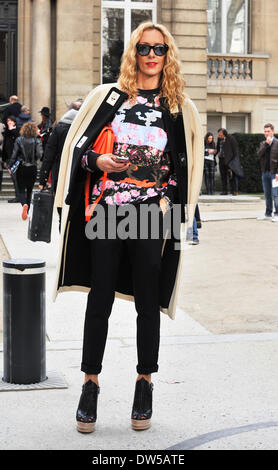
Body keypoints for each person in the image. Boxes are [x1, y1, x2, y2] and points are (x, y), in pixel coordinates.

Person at [53, 22, 204, 434]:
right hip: (109, 209)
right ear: (133, 52)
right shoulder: (109, 97)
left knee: (147, 301)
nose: (151, 55)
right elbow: (78, 150)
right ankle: (90, 384)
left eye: (159, 48)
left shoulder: (179, 107)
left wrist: (174, 211)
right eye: (144, 47)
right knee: (99, 297)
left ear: (168, 55)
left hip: (154, 214)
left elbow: (185, 168)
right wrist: (97, 163)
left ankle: (145, 383)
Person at [39, 100, 82, 230]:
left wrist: (43, 179)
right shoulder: (84, 127)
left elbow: (49, 156)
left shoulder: (59, 128)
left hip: (61, 175)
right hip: (80, 174)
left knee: (62, 213)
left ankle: (63, 237)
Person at [7, 121, 42, 220]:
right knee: (30, 190)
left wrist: (10, 166)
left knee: (21, 189)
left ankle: (24, 206)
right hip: (32, 167)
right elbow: (39, 154)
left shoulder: (19, 140)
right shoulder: (37, 140)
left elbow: (14, 155)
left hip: (22, 167)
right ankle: (27, 210)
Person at [257, 123, 278, 221]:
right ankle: (268, 213)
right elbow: (259, 154)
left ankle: (277, 214)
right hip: (265, 173)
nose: (266, 133)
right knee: (267, 194)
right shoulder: (262, 143)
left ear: (273, 131)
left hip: (274, 173)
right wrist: (266, 144)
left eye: (268, 131)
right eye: (265, 131)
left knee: (275, 194)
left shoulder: (277, 143)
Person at [2, 116, 20, 202]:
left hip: (16, 158)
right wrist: (4, 159)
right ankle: (18, 195)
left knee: (16, 178)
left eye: (11, 121)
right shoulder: (7, 132)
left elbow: (18, 141)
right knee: (14, 178)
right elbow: (5, 146)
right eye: (8, 121)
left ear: (14, 122)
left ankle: (19, 196)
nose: (9, 122)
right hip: (9, 158)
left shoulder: (16, 131)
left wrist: (12, 129)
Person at [216, 128, 239, 195]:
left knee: (231, 176)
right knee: (223, 176)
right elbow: (218, 148)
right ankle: (224, 191)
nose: (219, 136)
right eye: (219, 135)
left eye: (220, 135)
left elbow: (235, 150)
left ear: (224, 134)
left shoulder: (231, 138)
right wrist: (217, 152)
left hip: (229, 160)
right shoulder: (219, 139)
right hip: (221, 160)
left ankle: (233, 191)